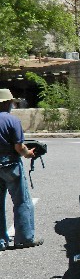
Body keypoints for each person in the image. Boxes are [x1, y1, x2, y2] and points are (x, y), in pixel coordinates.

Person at [0, 89, 43, 251]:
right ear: (7, 103)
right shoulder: (12, 121)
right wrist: (28, 154)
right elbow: (19, 146)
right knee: (21, 201)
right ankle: (24, 238)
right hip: (10, 165)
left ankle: (1, 241)